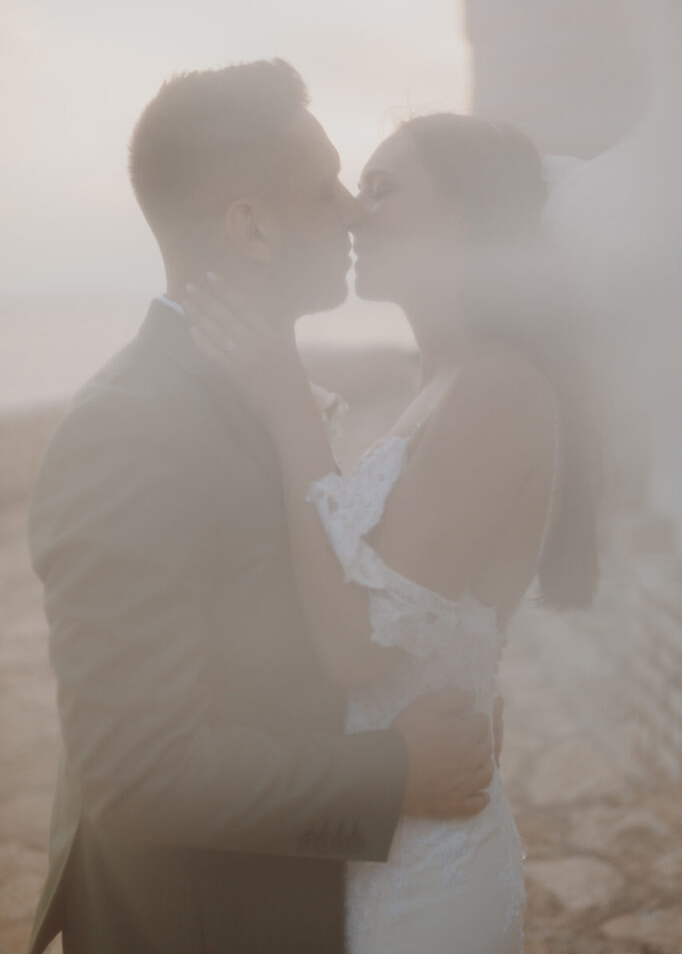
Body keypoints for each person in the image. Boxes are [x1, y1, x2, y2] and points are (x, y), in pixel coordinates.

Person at [26, 63, 497, 954]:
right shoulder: (128, 429)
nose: (352, 211)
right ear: (251, 227)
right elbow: (135, 771)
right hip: (207, 918)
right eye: (324, 190)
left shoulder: (244, 387)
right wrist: (393, 772)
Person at [184, 112, 602, 952]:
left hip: (426, 878)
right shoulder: (442, 377)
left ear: (463, 215)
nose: (352, 212)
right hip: (383, 824)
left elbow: (356, 649)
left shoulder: (497, 386)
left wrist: (287, 406)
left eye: (381, 189)